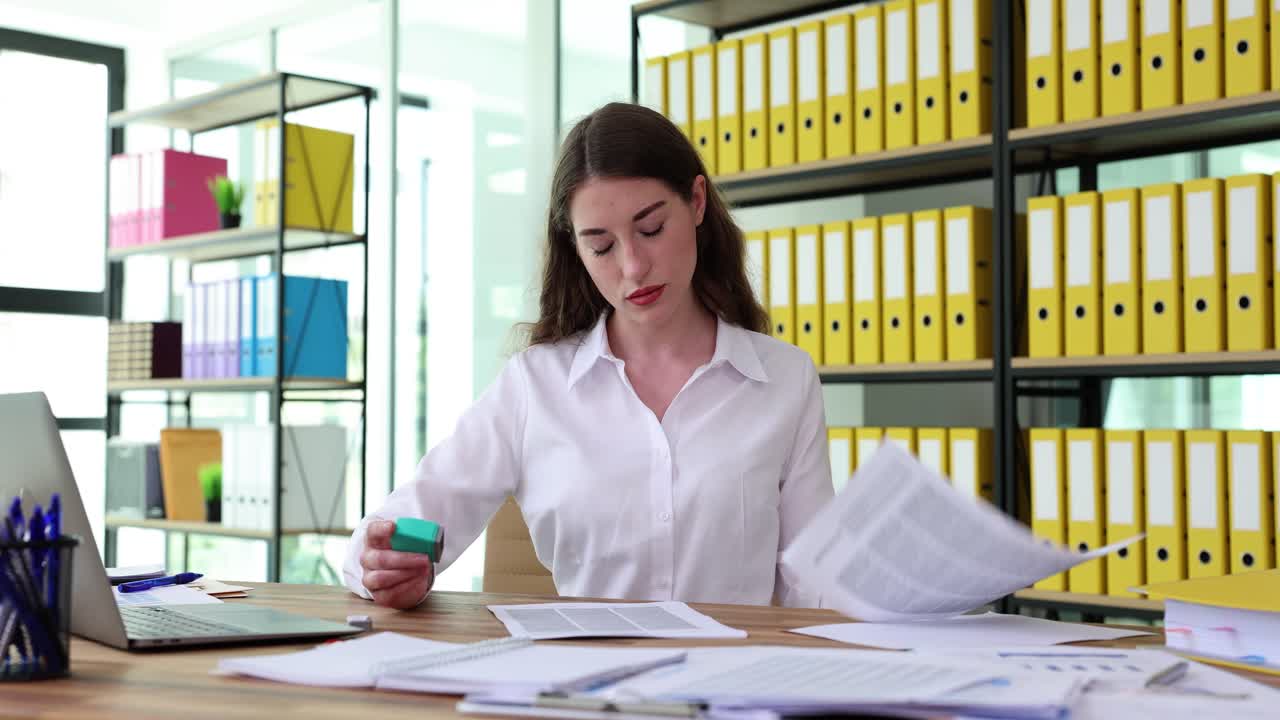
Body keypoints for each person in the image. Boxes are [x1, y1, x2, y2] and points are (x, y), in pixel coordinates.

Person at [343, 102, 833, 610]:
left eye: (651, 229)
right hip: (589, 681)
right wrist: (381, 562)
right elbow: (400, 525)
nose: (634, 266)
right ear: (575, 249)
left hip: (737, 681)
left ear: (697, 201)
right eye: (601, 246)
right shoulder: (536, 385)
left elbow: (815, 586)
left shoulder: (785, 380)